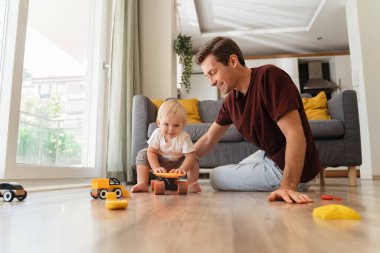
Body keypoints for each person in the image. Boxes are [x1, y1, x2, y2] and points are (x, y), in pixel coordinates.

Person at [193, 37, 320, 204]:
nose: (211, 82)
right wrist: (180, 162)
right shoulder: (231, 101)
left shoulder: (270, 78)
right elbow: (209, 138)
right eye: (207, 76)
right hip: (268, 155)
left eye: (213, 72)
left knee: (216, 177)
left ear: (232, 61)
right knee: (233, 170)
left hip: (296, 169)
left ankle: (291, 182)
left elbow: (295, 134)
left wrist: (288, 187)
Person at [131, 99, 201, 193]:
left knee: (194, 158)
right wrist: (156, 167)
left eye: (176, 125)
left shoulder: (184, 137)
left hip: (178, 163)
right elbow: (151, 152)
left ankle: (192, 184)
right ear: (159, 123)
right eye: (166, 124)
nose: (171, 129)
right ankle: (142, 183)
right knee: (142, 154)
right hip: (159, 161)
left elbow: (190, 156)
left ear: (183, 125)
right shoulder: (157, 133)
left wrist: (182, 169)